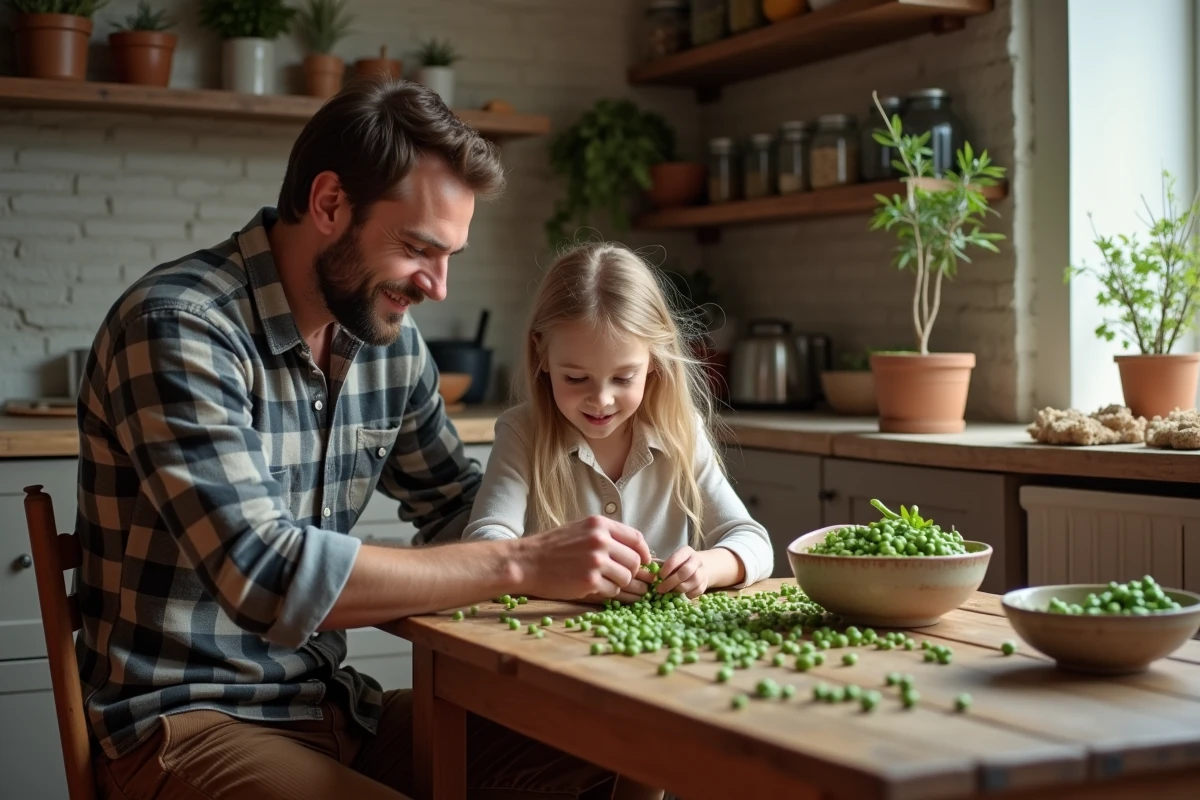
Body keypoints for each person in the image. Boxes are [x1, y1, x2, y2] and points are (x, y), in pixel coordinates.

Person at [74, 79, 653, 800]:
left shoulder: (389, 345)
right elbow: (263, 576)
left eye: (451, 256)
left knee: (622, 747)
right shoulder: (178, 327)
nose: (438, 287)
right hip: (183, 725)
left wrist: (616, 568)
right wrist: (523, 561)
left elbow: (456, 513)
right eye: (418, 248)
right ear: (328, 204)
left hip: (336, 708)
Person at [464, 241, 773, 606]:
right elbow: (485, 545)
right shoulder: (522, 433)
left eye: (624, 378)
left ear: (655, 361)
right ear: (542, 354)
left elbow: (752, 540)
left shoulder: (679, 431)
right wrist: (554, 575)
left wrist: (705, 567)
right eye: (576, 379)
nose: (601, 399)